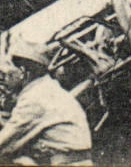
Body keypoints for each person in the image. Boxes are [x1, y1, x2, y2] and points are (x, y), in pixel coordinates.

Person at [0, 34, 92, 166]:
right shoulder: (46, 88)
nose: (3, 80)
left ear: (23, 72)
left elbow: (5, 142)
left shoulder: (34, 98)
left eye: (6, 74)